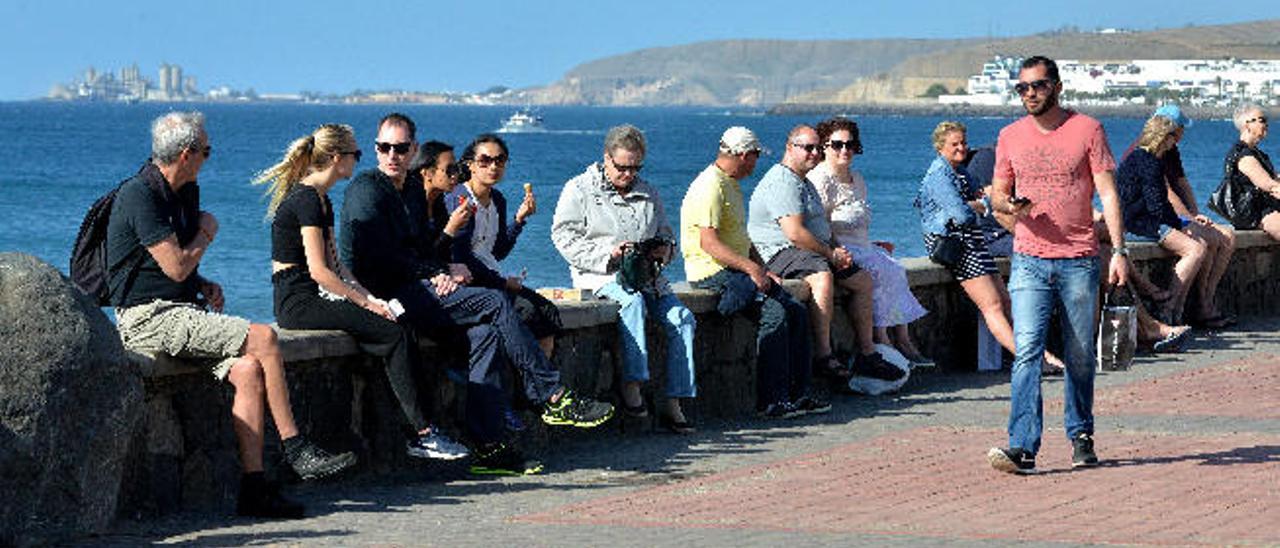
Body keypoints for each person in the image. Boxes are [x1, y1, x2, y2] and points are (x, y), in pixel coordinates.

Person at [107, 112, 355, 519]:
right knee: (265, 338)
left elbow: (168, 266)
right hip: (146, 319)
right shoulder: (140, 194)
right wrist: (206, 232)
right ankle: (296, 447)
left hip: (179, 310)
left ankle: (253, 490)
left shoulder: (183, 191)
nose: (208, 157)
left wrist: (201, 281)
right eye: (206, 150)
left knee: (248, 370)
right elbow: (173, 267)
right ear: (186, 154)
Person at [339, 113, 613, 476]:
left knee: (484, 336)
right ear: (374, 149)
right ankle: (552, 395)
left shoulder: (410, 192)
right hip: (387, 298)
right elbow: (372, 257)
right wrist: (433, 273)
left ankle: (489, 447)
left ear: (413, 149)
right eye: (384, 147)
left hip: (417, 289)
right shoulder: (368, 189)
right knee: (494, 301)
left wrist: (442, 269)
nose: (392, 155)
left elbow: (424, 249)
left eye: (401, 148)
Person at [255, 124, 469, 463]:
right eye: (356, 154)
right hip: (297, 303)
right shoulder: (307, 199)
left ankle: (424, 428)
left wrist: (371, 299)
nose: (360, 160)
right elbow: (319, 272)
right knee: (393, 334)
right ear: (338, 158)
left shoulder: (321, 200)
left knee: (396, 320)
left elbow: (339, 268)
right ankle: (422, 434)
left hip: (315, 296)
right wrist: (362, 302)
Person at [985, 56, 1130, 474]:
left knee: (1080, 353)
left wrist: (1119, 251)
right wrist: (1008, 204)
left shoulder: (1087, 129)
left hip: (1080, 260)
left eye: (1038, 85)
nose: (1030, 93)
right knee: (1027, 351)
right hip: (1029, 258)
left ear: (1057, 87)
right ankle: (1022, 446)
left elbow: (1108, 193)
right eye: (1022, 88)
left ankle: (1081, 434)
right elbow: (997, 195)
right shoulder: (1009, 135)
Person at [551, 124, 697, 433]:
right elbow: (563, 237)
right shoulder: (579, 189)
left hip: (647, 276)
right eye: (622, 167)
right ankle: (632, 386)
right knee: (631, 304)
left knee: (682, 318)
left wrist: (663, 251)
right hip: (600, 276)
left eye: (635, 168)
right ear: (606, 158)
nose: (628, 174)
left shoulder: (649, 192)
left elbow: (668, 236)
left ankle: (675, 401)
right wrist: (610, 253)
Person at [681, 126, 828, 419]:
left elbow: (739, 238)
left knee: (796, 311)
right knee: (774, 313)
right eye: (755, 157)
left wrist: (761, 268)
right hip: (712, 272)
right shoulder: (710, 186)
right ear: (744, 156)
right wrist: (750, 269)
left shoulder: (731, 183)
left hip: (737, 267)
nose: (756, 163)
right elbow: (708, 243)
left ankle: (799, 394)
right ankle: (770, 402)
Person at [808, 116, 931, 366]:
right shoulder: (820, 179)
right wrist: (837, 251)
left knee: (895, 269)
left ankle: (904, 340)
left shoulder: (858, 180)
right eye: (837, 144)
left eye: (850, 145)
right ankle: (882, 340)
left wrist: (873, 243)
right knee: (879, 271)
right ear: (824, 146)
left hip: (862, 246)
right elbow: (820, 226)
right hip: (839, 250)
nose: (845, 150)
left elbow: (856, 222)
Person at [447, 134, 562, 358]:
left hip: (492, 278)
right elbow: (459, 255)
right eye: (485, 160)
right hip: (471, 282)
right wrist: (502, 282)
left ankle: (538, 386)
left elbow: (497, 252)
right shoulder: (458, 198)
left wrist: (519, 221)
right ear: (470, 165)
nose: (493, 166)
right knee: (527, 312)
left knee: (548, 310)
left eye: (500, 160)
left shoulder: (497, 200)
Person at [1116, 114, 1212, 326]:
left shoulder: (1142, 158)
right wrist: (1180, 225)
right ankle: (1167, 306)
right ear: (1164, 137)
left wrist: (1183, 223)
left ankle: (1176, 309)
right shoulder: (1148, 163)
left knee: (1201, 244)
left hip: (1140, 219)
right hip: (1139, 223)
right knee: (1195, 250)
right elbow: (1156, 206)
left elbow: (1160, 204)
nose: (1175, 141)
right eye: (1172, 137)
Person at [1147, 104, 1236, 327]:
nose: (1184, 133)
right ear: (1171, 129)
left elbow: (1182, 183)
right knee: (1209, 240)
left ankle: (1206, 298)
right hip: (1159, 217)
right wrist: (1188, 218)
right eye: (1181, 128)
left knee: (1228, 236)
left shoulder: (1172, 150)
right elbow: (1165, 190)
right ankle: (1196, 306)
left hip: (1179, 215)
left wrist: (1195, 213)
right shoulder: (1151, 150)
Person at [1220, 104, 1280, 238]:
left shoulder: (1257, 153)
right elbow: (1270, 185)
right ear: (1247, 125)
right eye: (1262, 120)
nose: (1266, 124)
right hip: (1255, 212)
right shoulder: (1243, 155)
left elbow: (1275, 179)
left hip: (1266, 207)